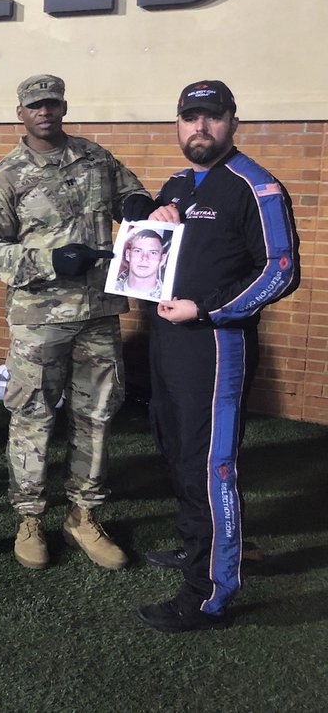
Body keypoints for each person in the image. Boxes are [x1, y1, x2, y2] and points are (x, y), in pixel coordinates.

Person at [137, 80, 300, 633]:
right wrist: (155, 223)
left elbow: (280, 271)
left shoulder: (255, 185)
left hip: (216, 343)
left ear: (233, 121)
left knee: (211, 465)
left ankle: (211, 593)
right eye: (189, 118)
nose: (199, 127)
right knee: (179, 450)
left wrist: (206, 310)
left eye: (211, 117)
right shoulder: (178, 184)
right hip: (169, 344)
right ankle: (198, 549)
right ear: (177, 125)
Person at [0, 74, 153, 571]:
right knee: (32, 416)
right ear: (21, 113)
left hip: (98, 313)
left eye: (52, 104)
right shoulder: (5, 176)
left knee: (95, 417)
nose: (44, 112)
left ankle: (83, 514)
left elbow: (131, 194)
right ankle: (30, 517)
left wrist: (138, 206)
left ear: (62, 107)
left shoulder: (96, 158)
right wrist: (51, 261)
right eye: (35, 106)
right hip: (39, 318)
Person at [114, 227, 168, 299]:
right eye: (138, 251)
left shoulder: (167, 295)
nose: (144, 258)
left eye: (153, 253)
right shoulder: (113, 288)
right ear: (127, 255)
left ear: (162, 259)